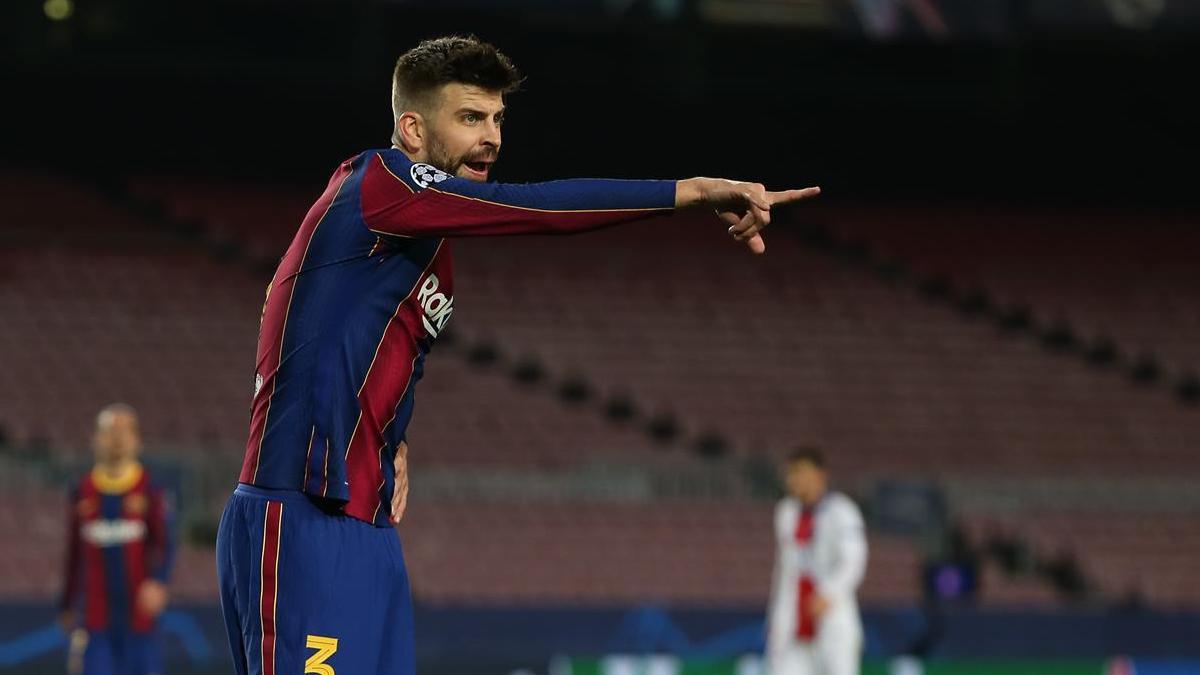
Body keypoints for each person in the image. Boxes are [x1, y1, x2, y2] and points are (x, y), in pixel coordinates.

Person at [216, 34, 821, 675]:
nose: (492, 138)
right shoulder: (381, 183)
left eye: (498, 119)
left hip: (366, 527)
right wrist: (694, 192)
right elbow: (531, 207)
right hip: (302, 513)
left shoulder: (431, 248)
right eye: (471, 117)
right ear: (412, 129)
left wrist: (394, 437)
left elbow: (365, 335)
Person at [60, 404, 174, 675]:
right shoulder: (81, 491)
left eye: (125, 431)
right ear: (96, 439)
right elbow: (74, 553)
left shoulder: (151, 489)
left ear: (137, 440)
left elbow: (166, 543)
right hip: (95, 619)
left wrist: (159, 581)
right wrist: (66, 603)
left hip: (140, 620)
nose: (118, 439)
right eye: (111, 431)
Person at [766, 447, 867, 675]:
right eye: (790, 473)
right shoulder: (786, 513)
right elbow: (784, 571)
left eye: (801, 472)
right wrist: (775, 619)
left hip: (831, 617)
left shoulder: (842, 511)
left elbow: (854, 562)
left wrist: (829, 593)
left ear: (820, 474)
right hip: (794, 621)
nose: (794, 479)